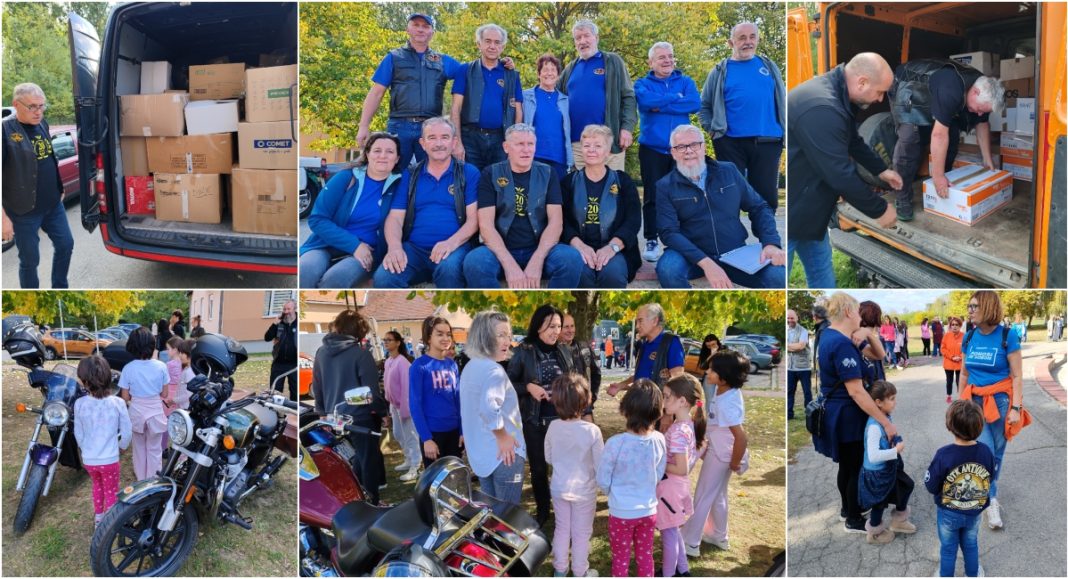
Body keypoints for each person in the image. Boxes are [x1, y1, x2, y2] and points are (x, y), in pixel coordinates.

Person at [787, 53, 902, 288]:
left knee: (823, 279)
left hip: (811, 211)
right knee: (780, 280)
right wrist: (879, 210)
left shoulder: (837, 95)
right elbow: (840, 174)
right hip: (792, 212)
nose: (880, 100)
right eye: (880, 92)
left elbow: (853, 141)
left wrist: (880, 170)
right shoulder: (822, 107)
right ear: (861, 82)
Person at [655, 124, 785, 288]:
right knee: (668, 270)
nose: (688, 151)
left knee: (778, 275)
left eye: (694, 144)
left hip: (734, 253)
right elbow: (668, 233)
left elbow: (759, 207)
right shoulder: (665, 186)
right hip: (689, 255)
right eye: (681, 147)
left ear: (703, 148)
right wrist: (707, 263)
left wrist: (770, 243)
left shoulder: (728, 171)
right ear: (673, 153)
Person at [811, 292, 897, 533]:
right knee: (854, 466)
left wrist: (867, 333)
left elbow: (880, 355)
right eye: (858, 311)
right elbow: (857, 392)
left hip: (840, 412)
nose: (860, 316)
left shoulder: (835, 335)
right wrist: (886, 424)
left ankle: (847, 509)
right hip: (847, 415)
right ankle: (853, 518)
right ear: (849, 312)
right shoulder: (840, 343)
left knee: (847, 466)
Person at [464, 124, 583, 288]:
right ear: (506, 147)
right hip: (500, 249)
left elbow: (556, 223)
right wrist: (509, 264)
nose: (526, 150)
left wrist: (538, 259)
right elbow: (486, 225)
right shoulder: (490, 173)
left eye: (530, 144)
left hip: (540, 247)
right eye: (519, 144)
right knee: (474, 263)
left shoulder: (548, 173)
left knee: (571, 259)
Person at [888, 59, 1002, 220]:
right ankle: (902, 197)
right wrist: (937, 175)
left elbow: (982, 124)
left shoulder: (985, 90)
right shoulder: (951, 89)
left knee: (953, 138)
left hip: (935, 94)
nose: (980, 114)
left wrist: (987, 159)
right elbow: (939, 135)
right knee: (910, 140)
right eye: (980, 110)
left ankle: (945, 186)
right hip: (908, 88)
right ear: (975, 92)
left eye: (984, 111)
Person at [374, 118, 480, 288]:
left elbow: (474, 220)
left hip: (454, 247)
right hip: (414, 249)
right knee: (384, 278)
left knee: (449, 271)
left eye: (444, 137)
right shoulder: (409, 175)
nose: (439, 143)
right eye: (432, 138)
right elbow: (395, 218)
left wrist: (450, 243)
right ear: (422, 143)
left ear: (454, 142)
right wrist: (394, 248)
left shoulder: (469, 172)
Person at [959, 290, 1031, 530]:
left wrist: (1016, 408)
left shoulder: (1007, 336)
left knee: (995, 456)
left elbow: (1018, 376)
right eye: (969, 306)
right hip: (973, 404)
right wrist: (961, 402)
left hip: (1000, 402)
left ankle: (990, 499)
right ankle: (987, 496)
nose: (969, 310)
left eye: (974, 306)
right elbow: (964, 373)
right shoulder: (968, 337)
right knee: (983, 452)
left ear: (989, 308)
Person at [699, 22, 785, 212]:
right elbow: (704, 106)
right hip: (730, 143)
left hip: (768, 141)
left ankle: (768, 241)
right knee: (730, 196)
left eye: (752, 37)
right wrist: (713, 131)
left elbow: (783, 101)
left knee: (766, 199)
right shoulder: (720, 71)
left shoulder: (769, 67)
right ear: (731, 42)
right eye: (742, 38)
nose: (748, 42)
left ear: (758, 39)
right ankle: (732, 241)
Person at [358, 13, 463, 167]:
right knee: (393, 174)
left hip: (431, 129)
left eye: (425, 26)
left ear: (432, 33)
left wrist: (500, 62)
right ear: (407, 29)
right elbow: (376, 93)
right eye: (416, 25)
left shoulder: (443, 61)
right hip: (399, 126)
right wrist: (363, 126)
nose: (420, 30)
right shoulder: (393, 57)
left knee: (430, 174)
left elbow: (472, 72)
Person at [301, 133, 403, 288]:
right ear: (367, 154)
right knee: (305, 271)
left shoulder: (399, 186)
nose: (383, 156)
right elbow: (317, 219)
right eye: (377, 151)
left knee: (336, 279)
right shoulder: (346, 177)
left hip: (366, 252)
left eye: (389, 152)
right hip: (325, 245)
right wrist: (354, 245)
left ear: (397, 158)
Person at [2, 83, 75, 289]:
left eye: (42, 106)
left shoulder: (43, 124)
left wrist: (60, 188)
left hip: (53, 205)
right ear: (16, 104)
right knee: (30, 260)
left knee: (66, 245)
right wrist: (3, 218)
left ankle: (59, 286)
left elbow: (49, 158)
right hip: (24, 211)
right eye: (32, 107)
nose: (38, 112)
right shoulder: (5, 130)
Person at [508, 304, 574, 526]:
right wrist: (527, 387)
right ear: (538, 327)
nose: (556, 331)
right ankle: (543, 509)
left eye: (558, 326)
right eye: (550, 326)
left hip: (562, 421)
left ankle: (564, 508)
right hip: (535, 421)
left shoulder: (564, 350)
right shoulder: (523, 351)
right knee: (538, 469)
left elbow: (575, 382)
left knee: (564, 466)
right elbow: (507, 385)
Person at [312, 309, 387, 504]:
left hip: (333, 417)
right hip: (359, 418)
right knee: (367, 462)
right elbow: (371, 393)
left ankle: (355, 500)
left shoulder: (321, 352)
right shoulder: (361, 355)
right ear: (360, 333)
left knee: (348, 463)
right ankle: (371, 503)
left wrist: (322, 414)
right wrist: (383, 412)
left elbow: (317, 386)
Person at [635, 41, 701, 262]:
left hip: (682, 150)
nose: (668, 61)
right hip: (652, 149)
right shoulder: (642, 83)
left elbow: (694, 104)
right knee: (652, 196)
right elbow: (645, 102)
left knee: (684, 195)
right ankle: (652, 240)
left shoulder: (686, 81)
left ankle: (684, 240)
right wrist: (675, 98)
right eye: (662, 57)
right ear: (651, 62)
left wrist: (660, 105)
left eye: (670, 56)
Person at [596, 379, 666, 578]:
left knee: (621, 556)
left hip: (621, 513)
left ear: (624, 409)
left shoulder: (615, 444)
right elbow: (659, 472)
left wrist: (613, 493)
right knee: (645, 555)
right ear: (658, 411)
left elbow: (603, 478)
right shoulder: (659, 439)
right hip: (648, 510)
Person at [684, 350, 749, 557]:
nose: (707, 372)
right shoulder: (725, 392)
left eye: (712, 370)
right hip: (721, 452)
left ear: (726, 375)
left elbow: (741, 437)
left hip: (722, 454)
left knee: (703, 495)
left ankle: (690, 541)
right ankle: (719, 535)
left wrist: (735, 462)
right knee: (717, 494)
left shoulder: (728, 401)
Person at [459, 311, 527, 504]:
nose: (507, 341)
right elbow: (489, 409)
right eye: (501, 335)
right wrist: (503, 437)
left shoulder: (471, 366)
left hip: (481, 456)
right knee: (506, 518)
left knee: (492, 516)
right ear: (484, 337)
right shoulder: (493, 371)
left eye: (509, 335)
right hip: (504, 455)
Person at [562, 126, 641, 288]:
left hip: (615, 249)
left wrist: (612, 247)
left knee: (613, 275)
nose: (591, 150)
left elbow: (633, 220)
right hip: (578, 248)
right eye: (586, 145)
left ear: (608, 151)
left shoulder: (623, 181)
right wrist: (579, 246)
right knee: (579, 275)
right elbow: (561, 221)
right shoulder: (568, 182)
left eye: (598, 146)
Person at [924, 400, 996, 577]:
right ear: (980, 426)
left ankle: (946, 575)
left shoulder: (944, 454)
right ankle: (972, 574)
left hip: (949, 512)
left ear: (950, 425)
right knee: (971, 544)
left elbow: (931, 485)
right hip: (974, 511)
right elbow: (990, 478)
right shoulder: (986, 451)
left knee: (948, 549)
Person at [544, 373, 604, 578]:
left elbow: (549, 457)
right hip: (584, 491)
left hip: (559, 488)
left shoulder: (553, 427)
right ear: (585, 400)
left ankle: (560, 569)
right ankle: (580, 571)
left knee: (562, 529)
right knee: (581, 533)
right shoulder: (592, 431)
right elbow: (600, 464)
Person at [559, 19, 637, 173]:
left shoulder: (612, 61)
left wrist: (627, 128)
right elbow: (552, 95)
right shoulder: (569, 69)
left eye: (586, 36)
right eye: (578, 38)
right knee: (581, 193)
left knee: (612, 191)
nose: (582, 41)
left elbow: (628, 96)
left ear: (596, 38)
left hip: (608, 143)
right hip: (578, 144)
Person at [450, 24, 523, 171]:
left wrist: (514, 142)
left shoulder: (511, 75)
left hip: (501, 139)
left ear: (502, 47)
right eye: (488, 41)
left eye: (497, 42)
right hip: (470, 139)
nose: (492, 46)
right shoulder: (465, 70)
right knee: (470, 184)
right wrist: (457, 142)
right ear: (479, 44)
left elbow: (518, 112)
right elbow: (455, 108)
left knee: (498, 185)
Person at [74, 355, 132, 526]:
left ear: (84, 381)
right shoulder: (118, 403)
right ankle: (109, 524)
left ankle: (99, 518)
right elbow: (127, 431)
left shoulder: (79, 404)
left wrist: (85, 449)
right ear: (108, 377)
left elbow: (78, 433)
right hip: (110, 459)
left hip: (90, 460)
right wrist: (122, 447)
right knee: (112, 490)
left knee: (97, 487)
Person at [657, 374, 706, 577]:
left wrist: (659, 463)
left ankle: (668, 574)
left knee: (668, 534)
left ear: (682, 401)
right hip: (676, 488)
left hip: (670, 489)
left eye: (667, 397)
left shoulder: (678, 431)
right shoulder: (687, 426)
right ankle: (683, 570)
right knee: (674, 530)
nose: (664, 401)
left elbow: (682, 468)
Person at [858, 380, 915, 544]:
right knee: (879, 503)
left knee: (906, 485)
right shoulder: (874, 427)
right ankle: (874, 533)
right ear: (878, 403)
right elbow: (873, 456)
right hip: (877, 473)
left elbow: (892, 434)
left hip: (888, 468)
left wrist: (897, 439)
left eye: (894, 397)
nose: (894, 401)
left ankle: (899, 520)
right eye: (891, 398)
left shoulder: (885, 417)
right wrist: (895, 451)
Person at [409, 316, 463, 470]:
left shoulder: (452, 364)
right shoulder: (419, 366)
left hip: (454, 433)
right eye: (440, 334)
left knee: (455, 479)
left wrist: (462, 431)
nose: (446, 338)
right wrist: (426, 438)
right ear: (428, 337)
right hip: (433, 435)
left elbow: (458, 400)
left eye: (448, 334)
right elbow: (415, 405)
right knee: (436, 484)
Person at [118, 327, 169, 482]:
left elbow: (125, 397)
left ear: (132, 346)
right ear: (152, 345)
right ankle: (153, 481)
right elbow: (164, 394)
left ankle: (141, 481)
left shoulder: (128, 368)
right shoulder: (161, 366)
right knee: (154, 449)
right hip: (155, 412)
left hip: (137, 413)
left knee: (139, 449)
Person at [606, 303, 684, 397]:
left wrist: (663, 407)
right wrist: (620, 386)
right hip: (640, 405)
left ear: (655, 321)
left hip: (657, 408)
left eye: (640, 321)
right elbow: (640, 377)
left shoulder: (670, 342)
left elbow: (677, 378)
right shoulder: (644, 345)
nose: (637, 326)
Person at [522, 54, 573, 182]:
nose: (549, 73)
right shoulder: (525, 97)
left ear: (558, 75)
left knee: (557, 200)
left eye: (553, 70)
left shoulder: (565, 101)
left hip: (559, 158)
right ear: (539, 74)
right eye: (545, 70)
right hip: (534, 156)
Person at [383, 331, 420, 482]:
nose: (386, 342)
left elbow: (407, 387)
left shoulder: (403, 362)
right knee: (398, 434)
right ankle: (408, 459)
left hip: (404, 405)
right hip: (394, 405)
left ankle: (415, 466)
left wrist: (406, 408)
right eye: (384, 340)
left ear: (398, 342)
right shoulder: (388, 361)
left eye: (389, 340)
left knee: (411, 435)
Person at [559, 313, 601, 421]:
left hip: (585, 408)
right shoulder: (553, 351)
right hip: (563, 409)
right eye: (566, 327)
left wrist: (592, 397)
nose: (570, 330)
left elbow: (596, 373)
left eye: (572, 326)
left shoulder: (584, 347)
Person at [264, 299, 299, 400]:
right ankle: (277, 414)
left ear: (295, 309)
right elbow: (267, 338)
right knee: (275, 393)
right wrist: (274, 324)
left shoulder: (298, 323)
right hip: (278, 364)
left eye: (289, 309)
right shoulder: (279, 323)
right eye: (284, 309)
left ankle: (294, 414)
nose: (286, 311)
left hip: (294, 365)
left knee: (295, 393)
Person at [786, 309, 812, 420]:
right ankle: (789, 414)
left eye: (792, 318)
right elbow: (795, 346)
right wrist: (793, 346)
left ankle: (810, 413)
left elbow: (801, 346)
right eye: (788, 318)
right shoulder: (786, 330)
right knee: (790, 392)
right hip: (790, 367)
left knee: (807, 392)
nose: (790, 320)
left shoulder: (803, 331)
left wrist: (788, 346)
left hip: (804, 368)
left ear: (797, 318)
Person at [941, 317, 964, 402]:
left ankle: (960, 397)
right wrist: (952, 357)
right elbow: (943, 349)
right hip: (949, 363)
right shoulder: (946, 335)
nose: (954, 326)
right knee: (949, 381)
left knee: (960, 381)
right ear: (950, 326)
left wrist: (960, 356)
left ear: (960, 326)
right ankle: (949, 395)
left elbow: (967, 349)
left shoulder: (964, 336)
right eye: (952, 325)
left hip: (960, 363)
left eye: (956, 325)